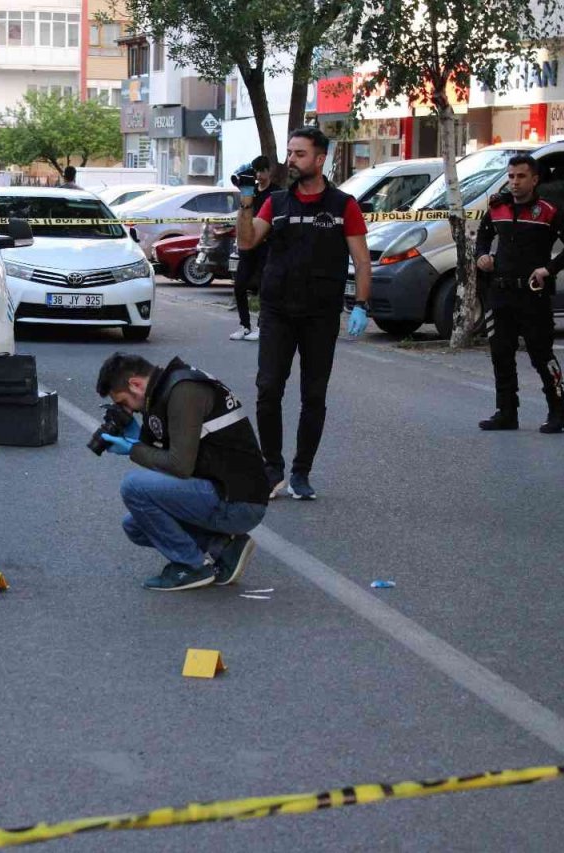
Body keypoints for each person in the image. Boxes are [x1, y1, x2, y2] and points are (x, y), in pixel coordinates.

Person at [235, 127, 373, 501]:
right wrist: (246, 200)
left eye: (298, 154)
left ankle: (301, 473)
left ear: (319, 158)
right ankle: (272, 468)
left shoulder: (344, 205)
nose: (291, 160)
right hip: (278, 311)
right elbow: (246, 241)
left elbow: (362, 260)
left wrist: (361, 305)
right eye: (290, 153)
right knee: (268, 389)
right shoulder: (275, 203)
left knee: (313, 395)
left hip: (320, 315)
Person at [96, 352, 270, 591]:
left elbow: (179, 466)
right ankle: (224, 547)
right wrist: (137, 438)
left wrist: (134, 449)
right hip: (221, 489)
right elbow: (172, 455)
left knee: (133, 486)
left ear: (135, 384)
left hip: (238, 501)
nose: (128, 410)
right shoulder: (163, 391)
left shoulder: (184, 391)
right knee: (135, 526)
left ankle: (192, 566)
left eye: (123, 403)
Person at [475, 154, 564, 434]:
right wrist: (483, 256)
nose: (514, 182)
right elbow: (483, 237)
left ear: (534, 179)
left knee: (541, 355)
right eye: (511, 176)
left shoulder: (549, 210)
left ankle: (558, 411)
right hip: (500, 293)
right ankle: (506, 412)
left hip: (533, 295)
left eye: (521, 176)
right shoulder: (497, 207)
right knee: (501, 354)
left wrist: (549, 269)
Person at [229, 155, 281, 342]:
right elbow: (243, 213)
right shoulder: (251, 191)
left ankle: (260, 326)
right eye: (256, 171)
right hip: (247, 246)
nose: (259, 175)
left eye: (262, 170)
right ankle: (244, 325)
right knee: (239, 285)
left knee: (263, 287)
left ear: (269, 171)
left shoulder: (276, 193)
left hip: (266, 246)